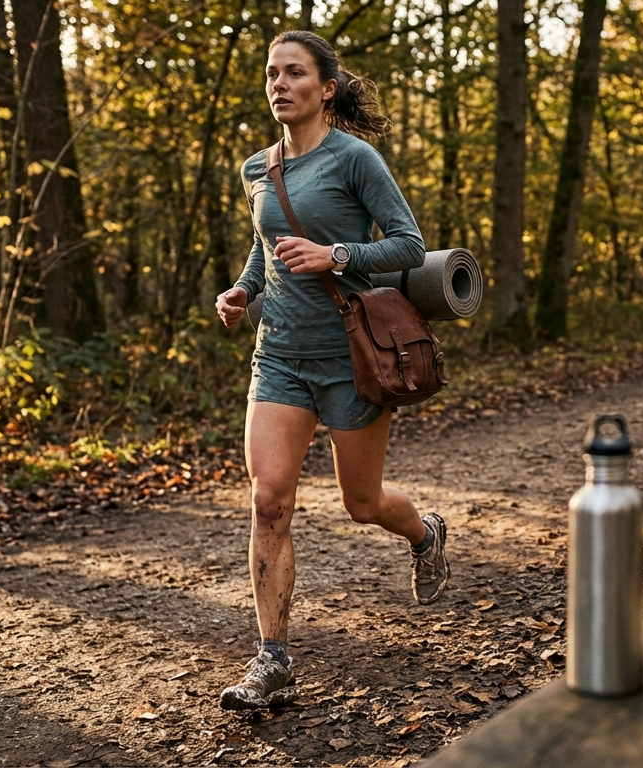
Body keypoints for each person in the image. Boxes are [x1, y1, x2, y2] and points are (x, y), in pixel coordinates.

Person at [213, 30, 449, 711]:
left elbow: (408, 244)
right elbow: (265, 251)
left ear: (326, 88)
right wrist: (242, 292)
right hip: (280, 355)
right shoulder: (258, 169)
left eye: (295, 74)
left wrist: (338, 254)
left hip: (352, 360)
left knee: (362, 504)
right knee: (269, 500)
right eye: (271, 75)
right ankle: (274, 660)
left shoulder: (355, 159)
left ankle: (425, 533)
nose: (280, 85)